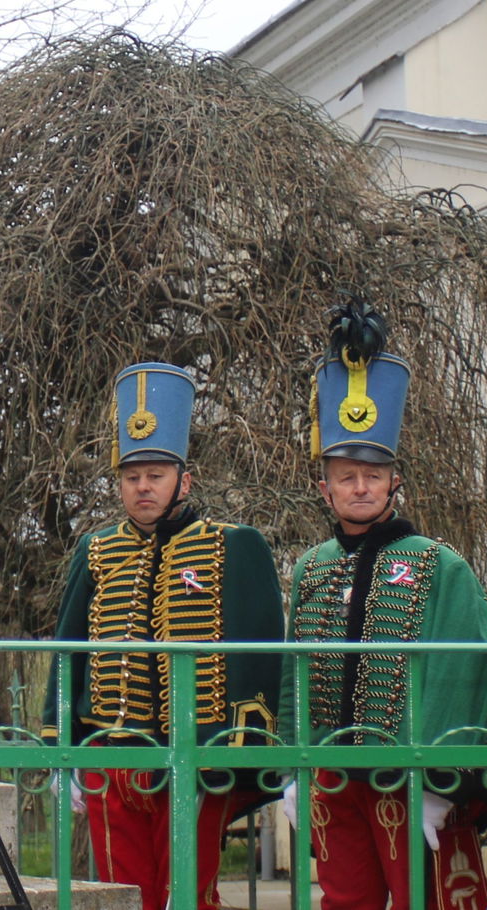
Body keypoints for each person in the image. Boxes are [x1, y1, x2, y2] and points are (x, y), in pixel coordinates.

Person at [44, 362, 282, 910]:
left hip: (193, 759)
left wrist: (235, 761)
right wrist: (64, 749)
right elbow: (68, 649)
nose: (143, 487)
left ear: (184, 480)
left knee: (187, 895)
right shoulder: (97, 551)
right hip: (112, 754)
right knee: (122, 896)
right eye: (132, 477)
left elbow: (257, 657)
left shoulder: (232, 546)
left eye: (155, 474)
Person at [286, 300, 487, 910]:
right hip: (332, 774)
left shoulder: (439, 564)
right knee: (343, 902)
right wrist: (295, 766)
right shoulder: (311, 567)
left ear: (393, 482)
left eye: (371, 476)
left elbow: (465, 672)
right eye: (346, 474)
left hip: (409, 776)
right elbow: (293, 673)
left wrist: (439, 778)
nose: (359, 486)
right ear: (324, 485)